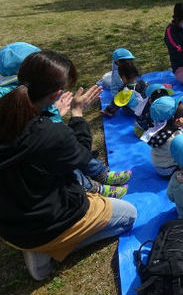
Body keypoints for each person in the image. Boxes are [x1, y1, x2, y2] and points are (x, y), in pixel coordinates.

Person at [0, 50, 137, 281]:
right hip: (45, 222)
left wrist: (56, 117)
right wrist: (76, 114)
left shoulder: (8, 110)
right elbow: (80, 156)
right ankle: (48, 250)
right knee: (129, 216)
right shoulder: (51, 134)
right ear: (56, 94)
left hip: (8, 223)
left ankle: (39, 242)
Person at [0, 42, 132, 198]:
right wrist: (74, 113)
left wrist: (55, 111)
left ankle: (99, 174)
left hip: (28, 167)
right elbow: (70, 150)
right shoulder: (34, 115)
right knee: (66, 167)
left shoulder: (24, 94)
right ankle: (93, 188)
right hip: (34, 183)